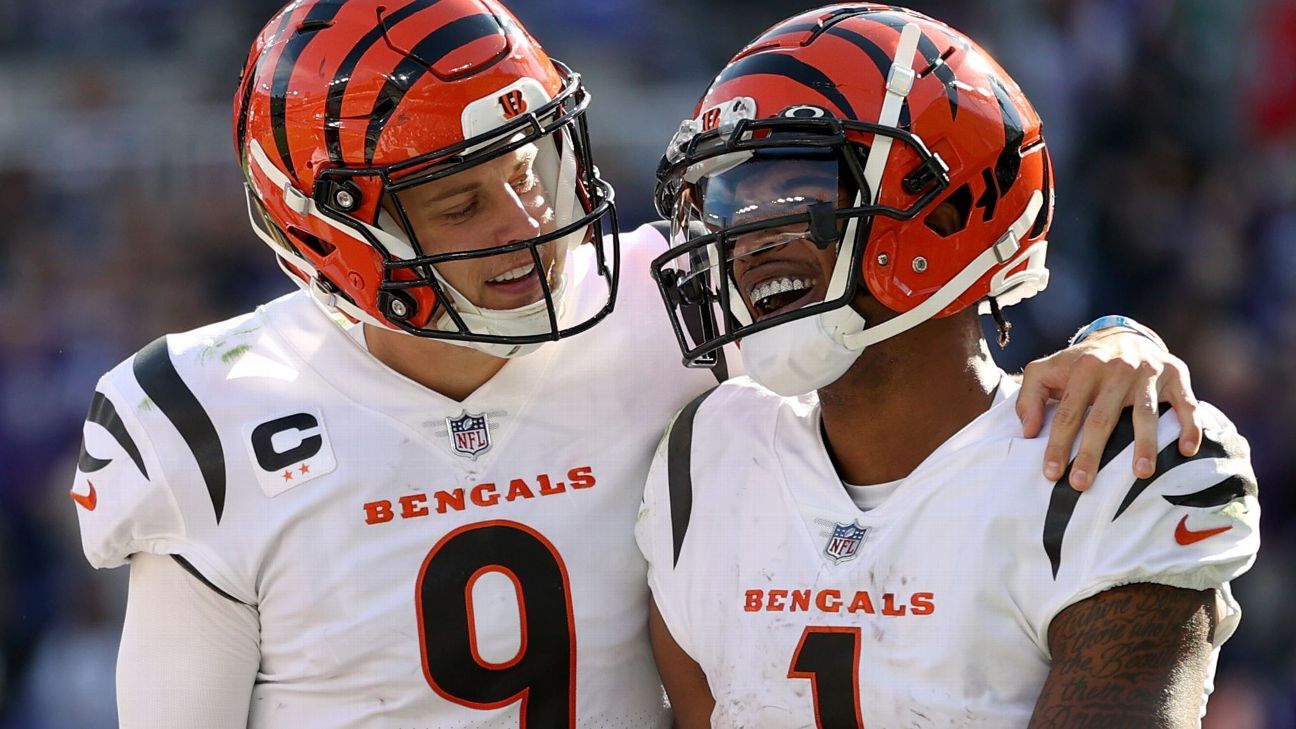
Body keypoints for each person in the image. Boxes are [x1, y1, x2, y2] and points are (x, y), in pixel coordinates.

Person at [69, 1, 1207, 727]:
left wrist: (1120, 341)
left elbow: (916, 311)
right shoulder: (205, 416)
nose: (529, 223)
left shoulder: (668, 298)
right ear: (330, 231)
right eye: (461, 203)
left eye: (531, 166)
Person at [636, 4, 1260, 728]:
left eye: (790, 189)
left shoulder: (1109, 460)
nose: (745, 239)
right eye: (727, 201)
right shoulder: (709, 454)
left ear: (945, 209)